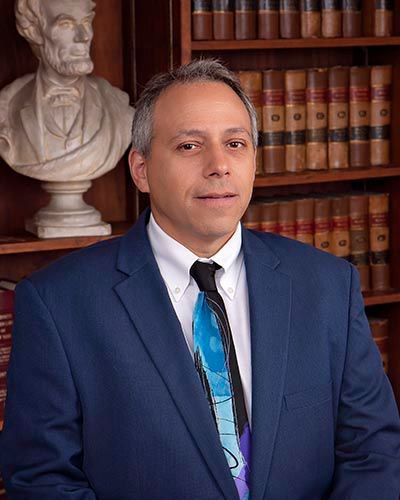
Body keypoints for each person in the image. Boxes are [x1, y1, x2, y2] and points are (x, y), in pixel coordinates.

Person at [1, 59, 400, 499]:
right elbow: (43, 480)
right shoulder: (58, 302)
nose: (219, 165)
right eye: (190, 146)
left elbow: (373, 450)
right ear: (141, 169)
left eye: (235, 143)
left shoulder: (328, 285)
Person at [0, 0, 133, 181]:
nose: (83, 36)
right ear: (34, 31)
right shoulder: (7, 109)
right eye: (66, 24)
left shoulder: (118, 108)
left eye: (86, 22)